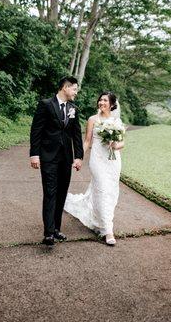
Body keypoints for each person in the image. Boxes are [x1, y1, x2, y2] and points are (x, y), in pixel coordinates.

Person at [64, 92, 125, 246]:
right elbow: (87, 141)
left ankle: (102, 219)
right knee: (102, 190)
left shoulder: (117, 121)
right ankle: (107, 230)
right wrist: (79, 158)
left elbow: (122, 143)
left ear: (111, 104)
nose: (101, 102)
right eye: (100, 99)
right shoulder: (92, 119)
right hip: (97, 160)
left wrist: (115, 145)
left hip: (113, 161)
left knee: (110, 192)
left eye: (105, 100)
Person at [29, 77, 84, 246]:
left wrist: (78, 157)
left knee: (61, 193)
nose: (76, 92)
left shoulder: (73, 108)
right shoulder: (46, 104)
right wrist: (34, 154)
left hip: (66, 158)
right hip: (48, 157)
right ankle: (48, 233)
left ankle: (56, 229)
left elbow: (76, 134)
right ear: (65, 88)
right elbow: (36, 130)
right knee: (50, 192)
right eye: (74, 89)